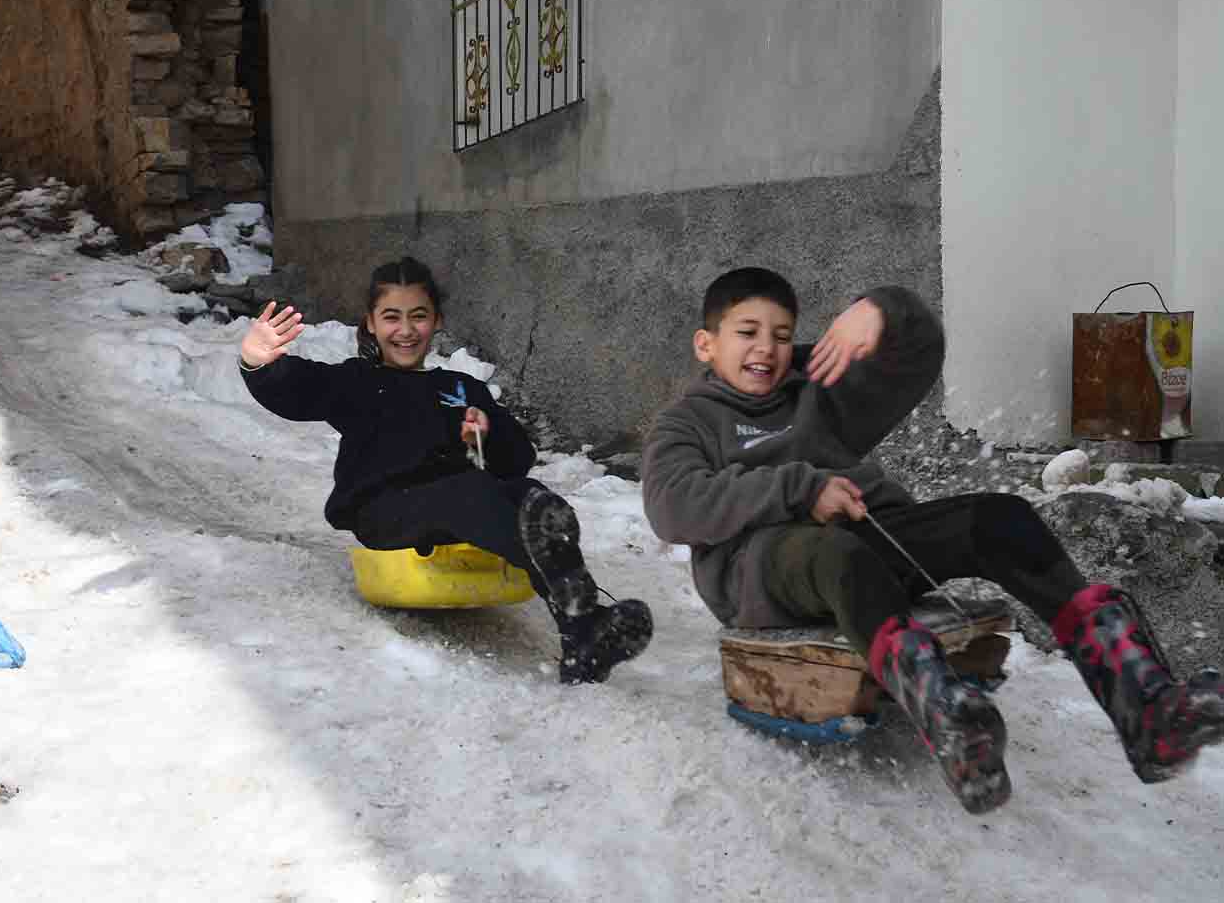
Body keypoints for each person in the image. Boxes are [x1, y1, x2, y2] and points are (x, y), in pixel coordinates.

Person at [640, 266, 1224, 814]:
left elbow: (917, 355)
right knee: (835, 553)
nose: (766, 348)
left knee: (1001, 517)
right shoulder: (688, 423)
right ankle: (949, 721)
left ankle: (1145, 708)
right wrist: (800, 490)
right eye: (747, 332)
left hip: (864, 542)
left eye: (781, 334)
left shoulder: (814, 388)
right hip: (764, 571)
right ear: (706, 344)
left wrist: (882, 311)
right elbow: (674, 506)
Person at [240, 256, 652, 684]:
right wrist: (257, 362)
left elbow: (515, 461)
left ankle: (581, 631)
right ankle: (581, 616)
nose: (405, 330)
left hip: (456, 509)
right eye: (391, 317)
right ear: (372, 323)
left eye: (418, 316)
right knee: (465, 492)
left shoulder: (461, 388)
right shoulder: (355, 381)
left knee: (532, 496)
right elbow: (296, 390)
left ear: (436, 321)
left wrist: (487, 434)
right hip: (385, 513)